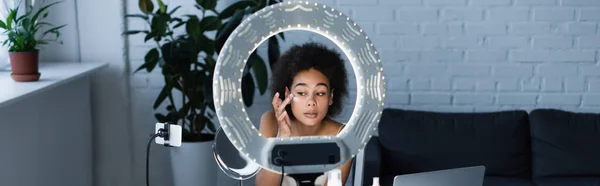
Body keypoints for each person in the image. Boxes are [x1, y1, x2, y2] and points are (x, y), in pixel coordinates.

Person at [255, 41, 352, 186]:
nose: (311, 102)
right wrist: (282, 140)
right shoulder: (270, 121)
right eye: (301, 92)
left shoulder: (342, 135)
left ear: (331, 97)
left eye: (320, 93)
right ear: (288, 93)